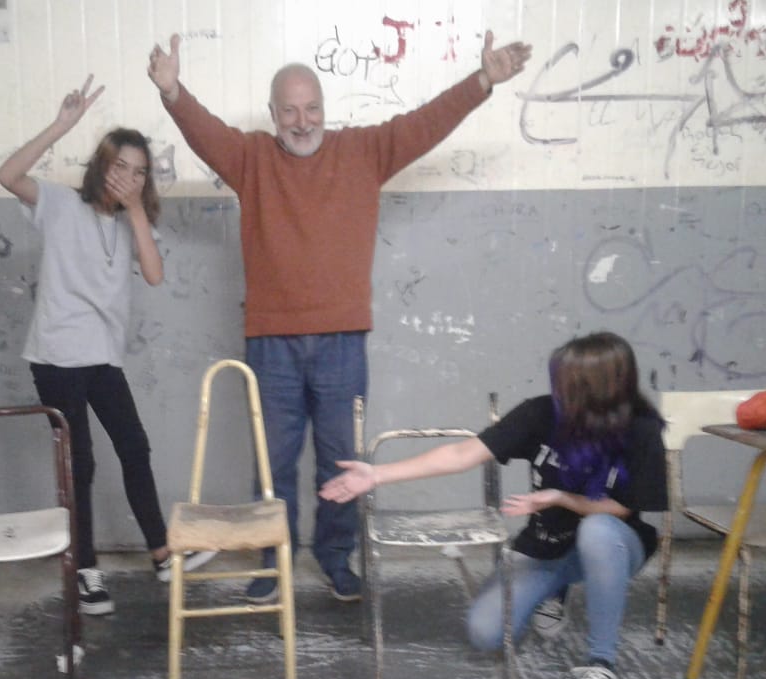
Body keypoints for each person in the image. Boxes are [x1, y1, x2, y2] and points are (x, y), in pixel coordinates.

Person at [147, 30, 533, 604]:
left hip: (342, 342)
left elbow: (426, 123)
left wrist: (482, 81)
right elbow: (205, 134)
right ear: (273, 114)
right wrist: (173, 91)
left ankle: (335, 557)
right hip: (271, 343)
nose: (301, 121)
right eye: (289, 111)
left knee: (341, 461)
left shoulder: (363, 150)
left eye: (311, 109)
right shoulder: (250, 158)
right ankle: (271, 561)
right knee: (271, 463)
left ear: (325, 109)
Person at [319, 332, 667, 679]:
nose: (559, 388)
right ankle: (554, 590)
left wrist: (560, 497)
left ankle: (602, 664)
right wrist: (377, 474)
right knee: (486, 632)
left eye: (570, 381)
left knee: (597, 531)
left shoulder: (640, 430)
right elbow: (461, 453)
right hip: (547, 546)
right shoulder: (543, 413)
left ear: (601, 386)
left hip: (615, 543)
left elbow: (621, 509)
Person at [0, 75, 214, 616]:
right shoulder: (59, 203)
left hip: (101, 357)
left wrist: (136, 208)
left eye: (139, 172)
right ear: (101, 165)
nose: (128, 177)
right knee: (82, 464)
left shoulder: (129, 222)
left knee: (134, 447)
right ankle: (86, 570)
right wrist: (62, 125)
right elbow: (8, 175)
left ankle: (162, 554)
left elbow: (155, 274)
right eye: (120, 166)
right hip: (55, 357)